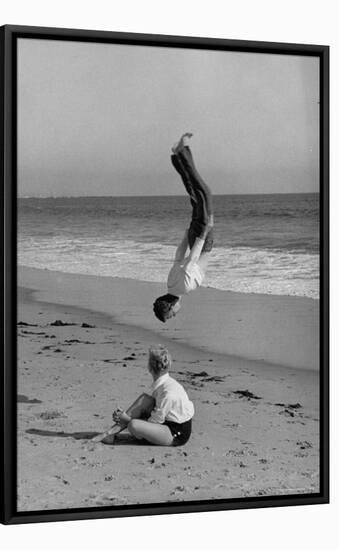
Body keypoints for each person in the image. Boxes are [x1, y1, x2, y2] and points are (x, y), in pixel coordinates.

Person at [153, 133, 214, 323]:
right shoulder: (170, 283)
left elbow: (192, 261)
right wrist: (187, 233)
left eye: (172, 313)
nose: (176, 313)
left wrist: (204, 231)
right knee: (195, 194)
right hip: (192, 236)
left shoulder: (185, 289)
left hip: (202, 241)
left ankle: (183, 150)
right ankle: (177, 157)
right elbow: (179, 255)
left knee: (205, 192)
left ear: (170, 306)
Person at [92, 346, 194, 446]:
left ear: (150, 367)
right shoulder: (165, 383)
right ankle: (110, 433)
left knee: (134, 425)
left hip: (176, 432)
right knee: (144, 399)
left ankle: (118, 427)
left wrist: (126, 419)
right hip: (166, 420)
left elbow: (155, 422)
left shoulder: (167, 393)